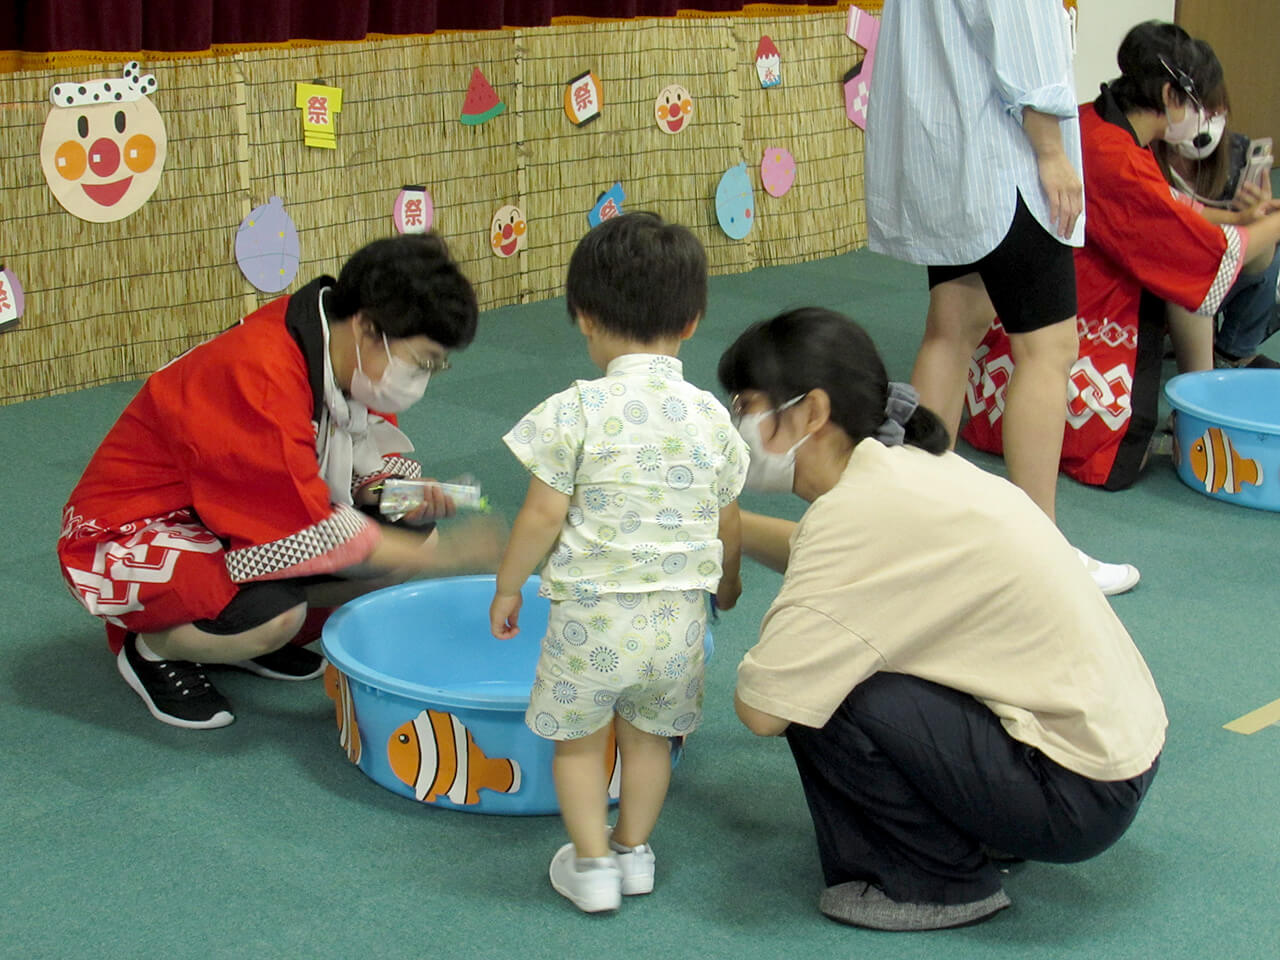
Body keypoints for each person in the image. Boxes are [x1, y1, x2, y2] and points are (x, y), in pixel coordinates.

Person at [719, 308, 1166, 931]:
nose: (737, 425)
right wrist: (730, 531)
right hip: (1111, 757)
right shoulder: (902, 466)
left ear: (811, 413)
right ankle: (980, 827)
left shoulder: (857, 515)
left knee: (824, 689)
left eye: (746, 404)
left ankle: (934, 880)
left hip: (1076, 792)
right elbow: (834, 561)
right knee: (856, 647)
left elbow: (763, 707)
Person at [58, 234, 502, 730]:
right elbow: (297, 528)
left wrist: (403, 499)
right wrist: (448, 559)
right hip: (132, 529)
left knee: (409, 531)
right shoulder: (263, 374)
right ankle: (153, 650)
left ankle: (231, 643)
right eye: (422, 362)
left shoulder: (338, 347)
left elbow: (351, 470)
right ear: (368, 327)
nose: (421, 378)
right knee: (278, 615)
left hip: (233, 511)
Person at [489, 213, 747, 914]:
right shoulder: (710, 418)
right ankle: (635, 852)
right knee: (651, 740)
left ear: (584, 317)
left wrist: (511, 585)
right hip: (678, 624)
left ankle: (593, 865)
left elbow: (541, 515)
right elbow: (727, 518)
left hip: (593, 623)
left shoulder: (575, 410)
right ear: (692, 321)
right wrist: (726, 582)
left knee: (578, 745)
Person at [864, 0, 1138, 595]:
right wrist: (1051, 151)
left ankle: (917, 531)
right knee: (1049, 349)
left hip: (950, 156)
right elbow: (1024, 42)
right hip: (1004, 161)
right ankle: (1039, 551)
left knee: (952, 327)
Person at [964, 22, 1280, 489]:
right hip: (1061, 352)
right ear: (1173, 96)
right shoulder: (1117, 158)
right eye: (1203, 105)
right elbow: (1195, 245)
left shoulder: (1093, 121)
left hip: (1002, 349)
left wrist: (1238, 219)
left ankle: (1208, 382)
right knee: (1202, 263)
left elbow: (1174, 213)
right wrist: (1269, 224)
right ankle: (1207, 395)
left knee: (1205, 254)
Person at [1153, 117, 1280, 369]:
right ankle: (1197, 388)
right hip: (1161, 279)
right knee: (1190, 270)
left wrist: (1257, 219)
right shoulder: (1142, 156)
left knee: (1269, 248)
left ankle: (1234, 350)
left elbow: (1256, 265)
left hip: (1218, 264)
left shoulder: (1233, 152)